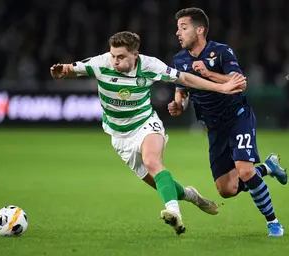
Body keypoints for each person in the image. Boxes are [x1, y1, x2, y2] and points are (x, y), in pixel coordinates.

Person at [50, 31, 246, 235]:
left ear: (135, 55)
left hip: (145, 123)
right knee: (161, 183)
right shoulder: (101, 63)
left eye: (121, 57)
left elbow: (186, 78)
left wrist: (222, 87)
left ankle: (174, 213)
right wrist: (62, 71)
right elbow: (72, 68)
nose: (115, 61)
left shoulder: (149, 65)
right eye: (113, 56)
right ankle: (191, 196)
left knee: (152, 162)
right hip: (119, 137)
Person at [168, 8, 287, 237]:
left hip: (237, 117)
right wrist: (178, 106)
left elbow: (240, 83)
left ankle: (273, 223)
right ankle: (267, 168)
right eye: (177, 28)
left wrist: (209, 74)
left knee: (244, 170)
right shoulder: (179, 60)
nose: (177, 33)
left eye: (183, 28)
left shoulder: (221, 52)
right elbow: (181, 91)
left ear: (200, 30)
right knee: (226, 190)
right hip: (214, 127)